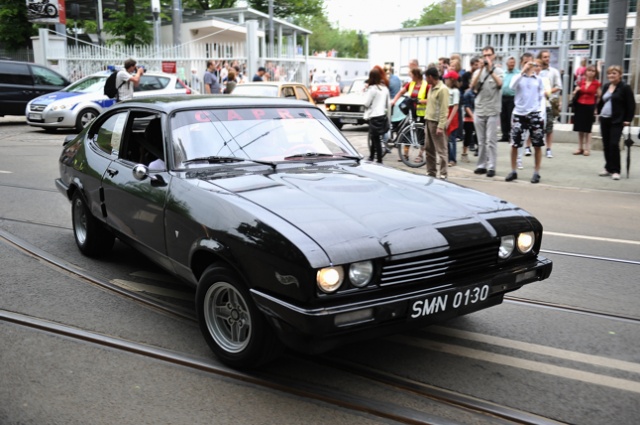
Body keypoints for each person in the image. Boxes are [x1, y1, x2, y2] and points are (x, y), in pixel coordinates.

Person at [504, 55, 546, 184]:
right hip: (519, 114)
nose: (529, 65)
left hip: (534, 113)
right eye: (526, 63)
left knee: (537, 144)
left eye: (531, 63)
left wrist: (541, 113)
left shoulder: (538, 79)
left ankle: (536, 172)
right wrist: (522, 72)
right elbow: (511, 86)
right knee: (515, 144)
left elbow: (541, 97)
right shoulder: (518, 78)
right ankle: (513, 170)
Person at [596, 65, 636, 180]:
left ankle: (616, 170)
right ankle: (608, 167)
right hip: (604, 119)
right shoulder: (606, 86)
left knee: (614, 144)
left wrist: (628, 119)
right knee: (606, 144)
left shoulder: (625, 87)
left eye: (614, 73)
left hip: (617, 120)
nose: (611, 76)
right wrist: (598, 111)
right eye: (609, 73)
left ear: (620, 74)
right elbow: (602, 101)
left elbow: (631, 105)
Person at [471, 46, 503, 177]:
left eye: (489, 55)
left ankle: (492, 167)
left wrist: (490, 70)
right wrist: (481, 70)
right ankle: (481, 165)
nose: (487, 58)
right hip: (479, 109)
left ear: (494, 56)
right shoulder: (477, 72)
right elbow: (472, 85)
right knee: (481, 140)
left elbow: (500, 84)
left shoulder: (499, 71)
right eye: (484, 55)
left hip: (492, 109)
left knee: (491, 140)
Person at [391, 68, 428, 162]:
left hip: (422, 113)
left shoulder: (426, 85)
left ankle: (420, 155)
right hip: (412, 112)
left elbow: (431, 100)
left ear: (416, 75)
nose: (410, 77)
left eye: (411, 75)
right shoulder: (411, 84)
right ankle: (405, 155)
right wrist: (394, 101)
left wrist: (420, 101)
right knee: (407, 132)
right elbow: (400, 92)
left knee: (422, 135)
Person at [423, 67, 450, 179]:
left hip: (436, 122)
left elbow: (444, 109)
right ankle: (431, 172)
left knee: (441, 150)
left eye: (426, 77)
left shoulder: (442, 89)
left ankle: (443, 174)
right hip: (429, 120)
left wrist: (441, 125)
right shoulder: (431, 87)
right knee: (429, 149)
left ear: (430, 77)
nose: (426, 80)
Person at [571, 64, 601, 156]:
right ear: (586, 72)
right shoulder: (581, 82)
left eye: (593, 71)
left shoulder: (596, 83)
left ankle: (587, 148)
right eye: (589, 70)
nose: (591, 73)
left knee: (588, 128)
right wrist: (576, 90)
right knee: (580, 128)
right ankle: (580, 147)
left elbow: (599, 96)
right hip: (580, 105)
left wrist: (596, 107)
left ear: (595, 73)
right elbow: (574, 93)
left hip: (590, 105)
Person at [537, 50, 562, 158]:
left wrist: (548, 92)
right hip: (537, 102)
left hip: (549, 101)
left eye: (548, 57)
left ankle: (548, 148)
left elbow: (558, 87)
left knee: (549, 127)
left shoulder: (554, 71)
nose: (547, 59)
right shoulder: (536, 71)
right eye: (545, 57)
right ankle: (532, 147)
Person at [363, 68, 391, 163]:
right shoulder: (385, 88)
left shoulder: (372, 89)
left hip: (374, 116)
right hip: (382, 115)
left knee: (376, 139)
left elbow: (366, 103)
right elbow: (388, 103)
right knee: (374, 137)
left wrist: (365, 92)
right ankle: (371, 156)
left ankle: (379, 159)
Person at [443, 70, 460, 167]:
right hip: (445, 112)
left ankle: (452, 159)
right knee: (445, 138)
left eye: (447, 78)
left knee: (451, 138)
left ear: (452, 80)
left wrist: (449, 119)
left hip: (452, 115)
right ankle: (447, 156)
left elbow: (455, 106)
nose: (445, 80)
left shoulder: (455, 91)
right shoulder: (445, 89)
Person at [500, 57, 518, 141]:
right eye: (510, 62)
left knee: (510, 116)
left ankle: (511, 135)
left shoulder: (517, 73)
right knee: (503, 116)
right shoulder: (503, 73)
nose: (512, 64)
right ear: (507, 63)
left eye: (513, 63)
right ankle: (504, 135)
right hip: (503, 97)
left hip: (512, 97)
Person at [461, 87, 477, 162]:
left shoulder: (481, 92)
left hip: (479, 117)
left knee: (480, 136)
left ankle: (481, 151)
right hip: (469, 118)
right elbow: (466, 107)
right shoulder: (468, 93)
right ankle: (464, 154)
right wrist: (473, 116)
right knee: (468, 135)